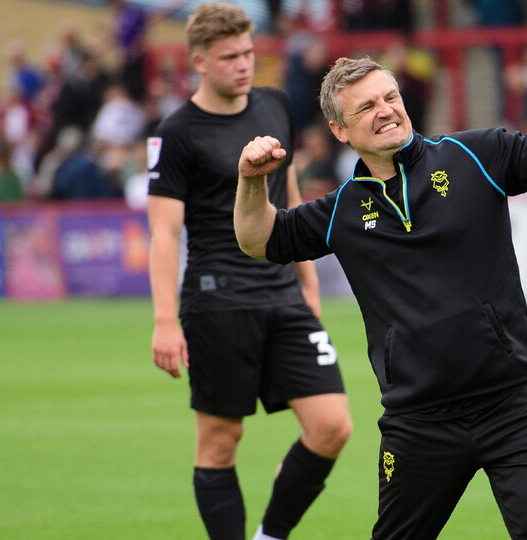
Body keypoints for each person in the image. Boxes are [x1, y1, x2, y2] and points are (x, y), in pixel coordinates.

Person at [234, 56, 527, 539]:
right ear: (340, 130)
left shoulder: (474, 155)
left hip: (514, 406)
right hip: (418, 423)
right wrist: (252, 180)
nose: (386, 110)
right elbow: (259, 240)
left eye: (390, 97)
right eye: (367, 106)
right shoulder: (340, 210)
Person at [145, 4, 351, 540]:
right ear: (199, 61)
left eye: (249, 53)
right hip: (218, 300)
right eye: (230, 57)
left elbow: (292, 195)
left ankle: (269, 535)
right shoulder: (175, 133)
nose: (243, 65)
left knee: (332, 426)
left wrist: (307, 281)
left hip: (282, 291)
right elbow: (164, 233)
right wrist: (165, 321)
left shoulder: (276, 104)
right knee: (220, 442)